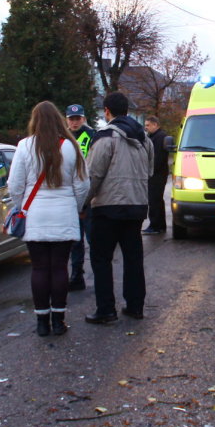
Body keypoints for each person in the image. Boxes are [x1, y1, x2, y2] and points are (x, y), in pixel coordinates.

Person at [8, 101, 90, 337]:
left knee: (40, 268)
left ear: (35, 120)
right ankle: (58, 320)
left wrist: (20, 207)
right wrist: (74, 207)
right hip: (64, 211)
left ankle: (41, 322)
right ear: (58, 120)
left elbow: (15, 185)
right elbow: (82, 184)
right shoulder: (71, 146)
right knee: (60, 268)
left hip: (35, 213)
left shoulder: (24, 146)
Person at [84, 92, 154, 324]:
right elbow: (149, 171)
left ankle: (106, 309)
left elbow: (93, 176)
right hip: (136, 206)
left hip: (107, 207)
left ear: (107, 111)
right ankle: (135, 306)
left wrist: (82, 203)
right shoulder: (144, 138)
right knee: (133, 257)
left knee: (101, 258)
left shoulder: (105, 137)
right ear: (127, 110)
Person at [65, 104, 96, 290]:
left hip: (89, 193)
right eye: (71, 119)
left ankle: (99, 274)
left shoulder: (92, 136)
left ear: (83, 119)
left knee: (93, 238)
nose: (75, 122)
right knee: (75, 240)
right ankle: (77, 276)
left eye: (77, 119)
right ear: (66, 119)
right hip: (69, 194)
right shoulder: (63, 137)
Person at [143, 115, 169, 235]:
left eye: (148, 125)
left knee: (154, 200)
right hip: (157, 174)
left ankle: (155, 226)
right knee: (157, 200)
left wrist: (148, 171)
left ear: (155, 125)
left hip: (156, 174)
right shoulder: (155, 137)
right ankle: (160, 225)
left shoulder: (159, 137)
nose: (146, 127)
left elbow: (157, 158)